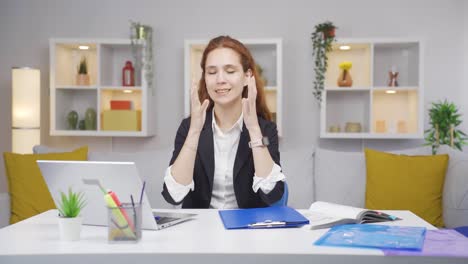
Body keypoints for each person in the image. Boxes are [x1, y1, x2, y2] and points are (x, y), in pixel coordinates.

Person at [162, 35, 286, 209]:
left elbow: (272, 193)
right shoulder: (189, 127)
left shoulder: (265, 129)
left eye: (230, 71)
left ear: (246, 76)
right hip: (200, 230)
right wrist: (194, 132)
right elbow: (173, 195)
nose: (220, 79)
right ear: (205, 78)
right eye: (212, 72)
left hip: (247, 230)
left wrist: (253, 129)